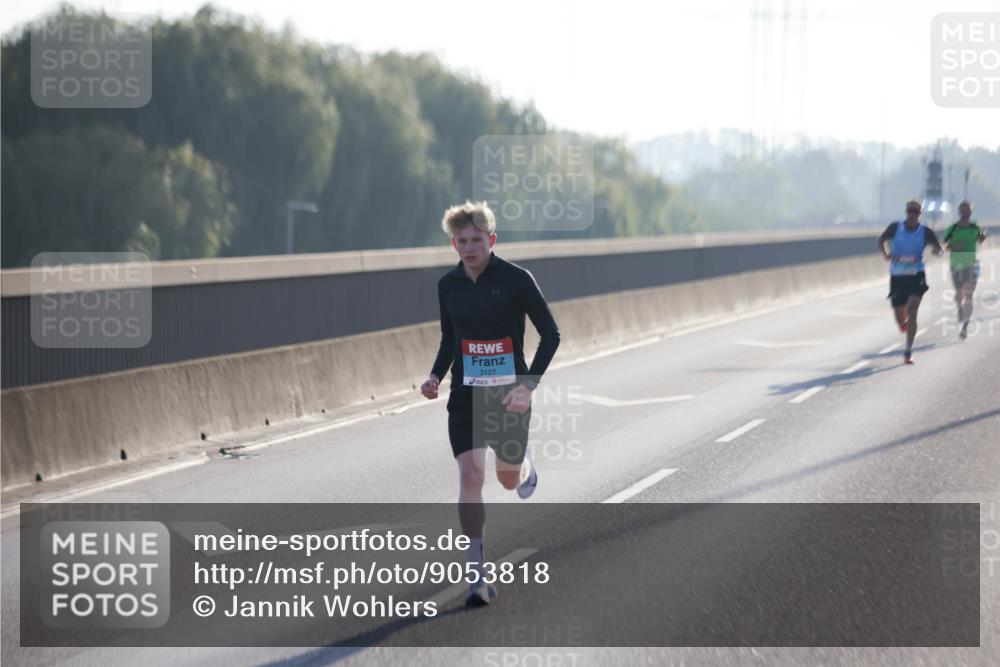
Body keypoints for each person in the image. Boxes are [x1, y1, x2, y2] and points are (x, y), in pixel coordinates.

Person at [420, 201, 560, 606]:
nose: (469, 247)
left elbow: (551, 334)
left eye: (476, 240)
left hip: (509, 397)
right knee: (469, 478)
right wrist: (435, 376)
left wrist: (528, 386)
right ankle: (476, 576)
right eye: (461, 241)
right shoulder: (448, 285)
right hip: (465, 396)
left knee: (507, 480)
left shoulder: (517, 280)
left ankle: (525, 463)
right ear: (453, 244)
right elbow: (450, 339)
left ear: (491, 240)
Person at [877, 200, 943, 364]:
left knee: (912, 310)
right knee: (900, 317)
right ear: (906, 212)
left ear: (920, 214)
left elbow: (939, 248)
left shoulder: (925, 231)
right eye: (909, 211)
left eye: (915, 211)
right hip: (898, 276)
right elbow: (881, 239)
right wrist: (885, 253)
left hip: (916, 274)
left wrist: (937, 251)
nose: (912, 214)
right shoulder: (896, 227)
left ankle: (908, 350)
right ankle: (904, 325)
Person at [942, 201, 987, 339]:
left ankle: (965, 327)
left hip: (971, 265)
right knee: (959, 294)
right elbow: (943, 246)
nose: (964, 213)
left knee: (969, 296)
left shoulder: (975, 227)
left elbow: (980, 240)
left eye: (967, 211)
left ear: (971, 212)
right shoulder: (953, 228)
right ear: (959, 212)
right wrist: (955, 247)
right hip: (955, 266)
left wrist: (983, 237)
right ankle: (960, 308)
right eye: (962, 211)